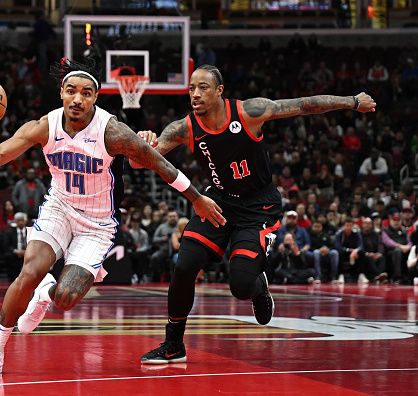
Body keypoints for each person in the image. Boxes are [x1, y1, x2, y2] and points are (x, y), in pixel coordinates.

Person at [0, 58, 223, 376]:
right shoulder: (44, 126)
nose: (78, 99)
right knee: (29, 271)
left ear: (95, 97)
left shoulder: (113, 132)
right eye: (71, 91)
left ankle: (46, 294)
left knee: (65, 298)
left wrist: (197, 198)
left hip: (98, 223)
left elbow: (160, 164)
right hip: (59, 209)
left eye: (87, 93)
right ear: (61, 93)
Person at [132, 64, 376, 364]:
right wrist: (142, 144)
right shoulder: (184, 128)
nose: (195, 94)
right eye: (191, 88)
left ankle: (258, 287)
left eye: (203, 88)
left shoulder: (249, 112)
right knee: (184, 266)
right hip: (218, 202)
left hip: (258, 207)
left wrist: (352, 100)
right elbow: (139, 163)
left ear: (220, 91)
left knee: (241, 285)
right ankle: (173, 344)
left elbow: (305, 105)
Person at [2, 212, 28, 282]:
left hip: (28, 253)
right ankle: (11, 278)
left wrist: (26, 251)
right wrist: (16, 251)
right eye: (18, 220)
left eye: (22, 220)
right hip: (15, 254)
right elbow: (6, 245)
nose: (20, 222)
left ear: (25, 221)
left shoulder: (30, 232)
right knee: (8, 255)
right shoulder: (9, 232)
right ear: (15, 222)